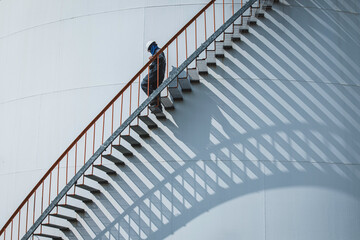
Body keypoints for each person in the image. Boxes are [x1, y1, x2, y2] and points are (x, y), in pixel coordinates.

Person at [141, 41, 166, 112]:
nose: (150, 52)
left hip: (155, 72)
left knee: (144, 84)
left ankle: (153, 99)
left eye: (149, 50)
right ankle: (157, 105)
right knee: (155, 89)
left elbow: (160, 57)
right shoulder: (158, 51)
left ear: (151, 47)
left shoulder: (158, 51)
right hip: (159, 74)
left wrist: (153, 57)